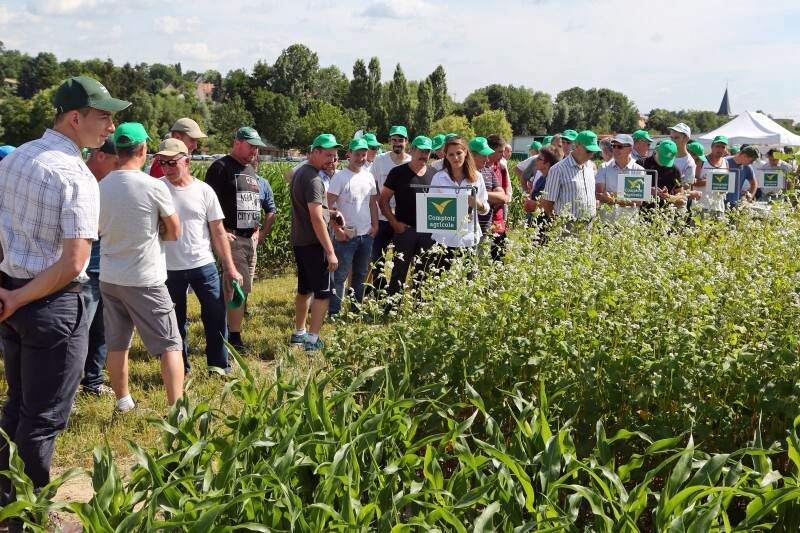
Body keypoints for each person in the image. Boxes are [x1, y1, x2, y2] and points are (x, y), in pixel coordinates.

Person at [0, 76, 128, 532]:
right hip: (50, 305)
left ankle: (6, 502)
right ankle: (30, 517)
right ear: (75, 118)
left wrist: (9, 292)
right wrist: (19, 295)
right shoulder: (75, 175)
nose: (110, 127)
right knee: (42, 419)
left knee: (17, 405)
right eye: (104, 117)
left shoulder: (16, 158)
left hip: (12, 299)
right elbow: (74, 262)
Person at [98, 122, 184, 415]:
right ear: (144, 149)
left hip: (110, 277)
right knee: (170, 344)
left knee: (117, 343)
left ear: (117, 150)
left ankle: (123, 402)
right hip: (145, 278)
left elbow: (97, 228)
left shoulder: (101, 186)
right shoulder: (153, 186)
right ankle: (176, 409)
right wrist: (158, 228)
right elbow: (174, 232)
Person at [158, 138, 244, 374]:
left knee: (216, 317)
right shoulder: (156, 188)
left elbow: (218, 232)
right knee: (175, 323)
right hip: (168, 268)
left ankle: (218, 366)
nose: (167, 168)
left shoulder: (204, 190)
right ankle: (181, 369)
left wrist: (230, 268)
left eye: (172, 162)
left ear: (187, 161)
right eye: (162, 162)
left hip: (203, 265)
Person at [204, 126, 265, 354]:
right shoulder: (220, 168)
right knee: (236, 287)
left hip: (250, 239)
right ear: (236, 143)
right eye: (250, 146)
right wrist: (219, 233)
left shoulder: (249, 169)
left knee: (242, 288)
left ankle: (227, 331)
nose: (254, 151)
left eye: (256, 147)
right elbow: (207, 205)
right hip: (232, 237)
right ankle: (234, 340)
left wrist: (256, 229)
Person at [289, 134, 341, 351]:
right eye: (328, 155)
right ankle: (312, 340)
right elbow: (316, 217)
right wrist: (330, 251)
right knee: (323, 294)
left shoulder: (300, 173)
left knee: (304, 289)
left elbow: (313, 211)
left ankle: (299, 332)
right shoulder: (314, 180)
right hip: (314, 243)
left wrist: (332, 214)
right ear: (315, 152)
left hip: (300, 241)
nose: (332, 160)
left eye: (334, 156)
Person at [81, 140, 120, 396]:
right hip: (81, 272)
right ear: (100, 156)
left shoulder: (109, 184)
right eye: (116, 163)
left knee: (102, 331)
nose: (118, 169)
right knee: (77, 334)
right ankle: (62, 391)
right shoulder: (81, 182)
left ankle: (93, 382)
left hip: (106, 269)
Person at [327, 138, 378, 317]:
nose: (360, 158)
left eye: (363, 154)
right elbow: (327, 207)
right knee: (340, 276)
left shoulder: (369, 176)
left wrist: (375, 226)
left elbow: (372, 204)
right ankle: (334, 312)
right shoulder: (340, 177)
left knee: (361, 275)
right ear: (349, 154)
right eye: (357, 154)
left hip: (366, 235)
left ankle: (356, 311)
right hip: (346, 237)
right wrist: (337, 230)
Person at [379, 136, 436, 297]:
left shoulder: (435, 174)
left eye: (427, 152)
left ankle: (419, 307)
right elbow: (383, 200)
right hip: (405, 231)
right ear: (412, 150)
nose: (424, 155)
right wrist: (394, 222)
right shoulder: (398, 173)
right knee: (399, 273)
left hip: (429, 233)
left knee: (424, 274)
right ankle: (392, 307)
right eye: (421, 151)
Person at [428, 137, 490, 266]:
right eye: (451, 154)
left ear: (466, 152)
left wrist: (478, 205)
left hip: (469, 239)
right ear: (446, 156)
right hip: (444, 240)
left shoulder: (477, 177)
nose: (455, 158)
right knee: (441, 277)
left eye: (459, 153)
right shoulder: (439, 177)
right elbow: (431, 209)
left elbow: (485, 209)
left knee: (467, 277)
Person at [369, 125, 411, 294]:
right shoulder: (380, 160)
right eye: (394, 140)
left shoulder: (410, 162)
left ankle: (394, 295)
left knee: (400, 261)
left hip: (403, 219)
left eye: (400, 140)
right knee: (376, 259)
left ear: (406, 141)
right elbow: (374, 187)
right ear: (389, 141)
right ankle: (380, 295)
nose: (397, 143)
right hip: (382, 218)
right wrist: (383, 208)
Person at [540, 130, 600, 230]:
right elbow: (547, 201)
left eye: (593, 151)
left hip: (589, 223)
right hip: (566, 225)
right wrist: (555, 223)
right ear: (577, 145)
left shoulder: (590, 167)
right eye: (588, 151)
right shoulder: (558, 169)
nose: (591, 154)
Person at [595, 134, 646, 225]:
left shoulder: (639, 170)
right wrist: (626, 197)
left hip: (629, 224)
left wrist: (613, 199)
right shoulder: (603, 167)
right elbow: (599, 195)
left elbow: (638, 201)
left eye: (619, 146)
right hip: (606, 223)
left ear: (630, 149)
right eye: (613, 146)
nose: (615, 149)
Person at [468, 137, 507, 244]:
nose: (487, 159)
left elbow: (502, 197)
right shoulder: (460, 174)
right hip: (464, 229)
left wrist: (478, 195)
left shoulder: (489, 173)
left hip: (484, 229)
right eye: (483, 156)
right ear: (472, 155)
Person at [524, 145, 563, 242]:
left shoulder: (550, 181)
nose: (536, 160)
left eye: (539, 159)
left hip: (544, 224)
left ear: (547, 164)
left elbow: (546, 203)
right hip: (534, 221)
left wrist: (532, 204)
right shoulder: (541, 178)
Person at [637, 140, 687, 211]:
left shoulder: (675, 170)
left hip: (664, 212)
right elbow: (631, 188)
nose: (664, 163)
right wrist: (648, 190)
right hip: (641, 211)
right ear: (657, 150)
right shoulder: (641, 164)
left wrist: (668, 196)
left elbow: (681, 196)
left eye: (668, 159)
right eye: (663, 158)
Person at [486, 134, 512, 259]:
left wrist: (493, 199)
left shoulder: (501, 168)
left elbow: (505, 196)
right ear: (490, 151)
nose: (503, 154)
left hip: (498, 219)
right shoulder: (479, 169)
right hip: (482, 220)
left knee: (499, 255)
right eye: (500, 151)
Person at [693, 135, 729, 218]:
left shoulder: (726, 162)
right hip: (701, 206)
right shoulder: (702, 160)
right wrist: (713, 181)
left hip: (718, 207)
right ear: (712, 147)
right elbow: (693, 181)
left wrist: (724, 188)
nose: (720, 150)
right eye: (717, 146)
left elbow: (726, 185)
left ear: (725, 149)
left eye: (723, 147)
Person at [668, 123, 697, 189]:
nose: (672, 141)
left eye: (676, 138)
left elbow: (687, 187)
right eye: (671, 137)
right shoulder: (667, 156)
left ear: (686, 139)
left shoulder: (690, 163)